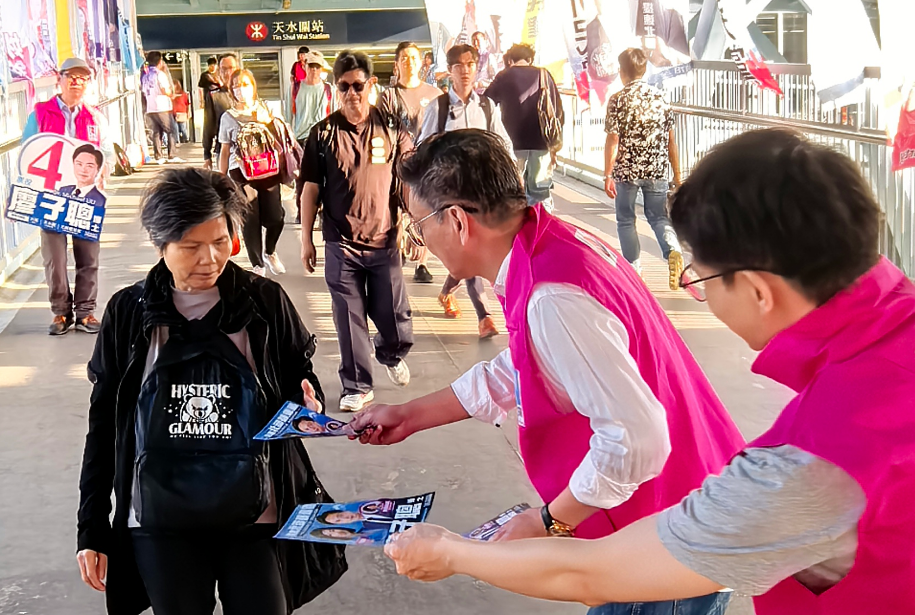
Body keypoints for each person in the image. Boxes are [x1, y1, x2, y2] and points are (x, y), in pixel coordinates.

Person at [384, 128, 915, 615]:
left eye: (700, 278)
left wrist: (457, 552)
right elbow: (534, 362)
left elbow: (595, 574)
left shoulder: (810, 462)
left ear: (758, 291)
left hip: (659, 515)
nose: (699, 293)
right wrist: (416, 414)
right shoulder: (894, 339)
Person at [352, 129, 746, 615]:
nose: (420, 240)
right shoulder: (551, 243)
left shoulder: (552, 295)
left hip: (662, 537)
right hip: (686, 508)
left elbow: (638, 439)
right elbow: (528, 365)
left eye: (418, 225)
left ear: (456, 221)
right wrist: (412, 415)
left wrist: (549, 521)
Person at [75, 167, 347, 615]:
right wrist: (91, 526)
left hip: (255, 513)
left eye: (220, 242)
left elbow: (298, 375)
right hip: (159, 519)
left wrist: (306, 398)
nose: (210, 258)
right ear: (161, 245)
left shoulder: (264, 301)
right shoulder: (129, 312)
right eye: (190, 247)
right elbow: (104, 424)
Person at [299, 51, 414, 412]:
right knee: (349, 318)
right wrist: (306, 239)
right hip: (341, 242)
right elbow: (310, 190)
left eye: (358, 85)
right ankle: (357, 384)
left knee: (393, 316)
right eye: (344, 86)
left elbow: (409, 181)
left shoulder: (391, 128)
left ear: (371, 85)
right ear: (336, 89)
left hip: (384, 240)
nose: (352, 93)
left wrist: (414, 223)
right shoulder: (322, 134)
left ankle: (391, 353)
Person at [417, 44, 511, 339]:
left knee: (471, 247)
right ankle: (485, 316)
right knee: (469, 244)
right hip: (452, 192)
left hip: (483, 190)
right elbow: (423, 148)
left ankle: (447, 291)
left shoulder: (486, 106)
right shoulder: (439, 108)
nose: (466, 70)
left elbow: (503, 144)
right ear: (450, 71)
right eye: (459, 65)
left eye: (471, 64)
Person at [21, 57, 114, 335]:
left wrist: (104, 170)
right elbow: (28, 151)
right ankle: (60, 311)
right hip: (50, 196)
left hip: (86, 196)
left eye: (83, 77)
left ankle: (86, 312)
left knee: (88, 255)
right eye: (71, 76)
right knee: (55, 258)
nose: (77, 82)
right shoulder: (40, 114)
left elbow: (107, 151)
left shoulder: (95, 117)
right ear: (59, 79)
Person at [604, 48, 684, 290]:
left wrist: (607, 173)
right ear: (644, 69)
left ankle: (634, 271)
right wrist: (677, 174)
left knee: (626, 220)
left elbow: (613, 139)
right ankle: (673, 250)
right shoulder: (661, 98)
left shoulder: (618, 99)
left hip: (627, 171)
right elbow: (671, 141)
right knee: (658, 216)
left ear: (622, 72)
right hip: (657, 169)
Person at [378, 41, 443, 284]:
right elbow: (381, 130)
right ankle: (399, 249)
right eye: (404, 58)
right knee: (396, 210)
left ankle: (422, 263)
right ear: (397, 64)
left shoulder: (436, 95)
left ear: (421, 63)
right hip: (397, 163)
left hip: (427, 163)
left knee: (425, 210)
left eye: (414, 57)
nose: (409, 62)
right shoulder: (388, 96)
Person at [218, 69, 287, 277]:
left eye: (245, 84)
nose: (241, 89)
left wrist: (268, 122)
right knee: (250, 217)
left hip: (268, 169)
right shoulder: (228, 117)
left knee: (275, 217)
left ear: (253, 86)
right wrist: (221, 178)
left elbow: (282, 137)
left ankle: (270, 251)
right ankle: (257, 264)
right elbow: (225, 150)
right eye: (236, 86)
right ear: (231, 90)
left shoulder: (266, 109)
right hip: (241, 172)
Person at [485, 43, 562, 212]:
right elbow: (557, 110)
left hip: (512, 142)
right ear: (530, 59)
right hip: (541, 142)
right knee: (540, 190)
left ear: (510, 60)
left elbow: (486, 102)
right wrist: (554, 146)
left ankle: (519, 225)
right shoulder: (544, 74)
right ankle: (541, 222)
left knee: (513, 190)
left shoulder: (504, 75)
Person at [293, 51, 333, 222]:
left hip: (323, 137)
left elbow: (333, 113)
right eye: (311, 66)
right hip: (301, 138)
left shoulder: (328, 89)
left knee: (325, 177)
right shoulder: (295, 88)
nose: (314, 70)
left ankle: (324, 211)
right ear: (305, 66)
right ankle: (302, 211)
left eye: (317, 67)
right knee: (302, 178)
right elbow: (289, 114)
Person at [141, 51, 183, 164]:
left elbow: (144, 92)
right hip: (162, 106)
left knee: (156, 132)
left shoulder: (145, 75)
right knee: (172, 130)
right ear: (159, 62)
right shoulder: (160, 74)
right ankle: (172, 155)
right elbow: (165, 90)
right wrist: (171, 95)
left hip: (150, 107)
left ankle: (158, 156)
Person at [199, 54, 237, 171]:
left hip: (247, 151)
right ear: (218, 71)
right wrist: (207, 155)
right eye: (223, 69)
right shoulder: (214, 96)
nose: (227, 73)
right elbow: (208, 126)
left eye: (231, 68)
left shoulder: (247, 92)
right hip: (223, 150)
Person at [290, 46, 311, 116]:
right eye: (300, 54)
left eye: (303, 54)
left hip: (308, 87)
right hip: (298, 87)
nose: (301, 56)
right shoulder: (296, 65)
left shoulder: (310, 65)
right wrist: (293, 84)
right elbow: (292, 76)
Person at [172, 79, 190, 143]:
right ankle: (177, 140)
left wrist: (188, 112)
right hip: (173, 112)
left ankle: (185, 139)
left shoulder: (183, 94)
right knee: (175, 128)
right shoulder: (171, 94)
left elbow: (187, 103)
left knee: (183, 128)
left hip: (181, 112)